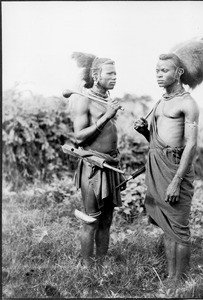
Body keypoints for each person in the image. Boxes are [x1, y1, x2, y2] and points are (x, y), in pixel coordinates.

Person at [134, 37, 203, 286]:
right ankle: (171, 277)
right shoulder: (161, 102)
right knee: (167, 225)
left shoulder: (188, 104)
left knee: (179, 228)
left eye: (164, 70)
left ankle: (180, 281)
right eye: (157, 71)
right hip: (158, 167)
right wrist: (145, 133)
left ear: (179, 72)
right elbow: (158, 141)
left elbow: (191, 144)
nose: (159, 75)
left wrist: (177, 181)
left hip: (175, 170)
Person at [68, 52, 124, 268]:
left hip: (110, 166)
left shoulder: (106, 100)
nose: (114, 77)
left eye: (116, 73)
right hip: (93, 166)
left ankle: (100, 266)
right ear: (96, 74)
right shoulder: (84, 100)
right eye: (110, 73)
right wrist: (107, 116)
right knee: (91, 219)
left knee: (107, 221)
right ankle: (86, 268)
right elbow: (79, 137)